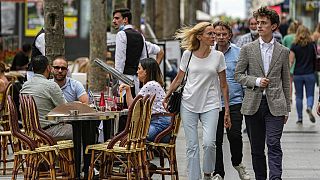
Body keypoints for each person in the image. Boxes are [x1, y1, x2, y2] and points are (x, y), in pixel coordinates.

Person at [163, 22, 231, 180]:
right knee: (192, 146)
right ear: (200, 36)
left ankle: (208, 173)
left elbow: (224, 85)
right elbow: (179, 78)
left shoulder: (218, 56)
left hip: (211, 104)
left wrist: (226, 109)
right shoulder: (188, 55)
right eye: (210, 34)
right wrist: (167, 95)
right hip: (188, 103)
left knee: (209, 143)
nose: (214, 37)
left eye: (214, 33)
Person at [234, 7, 290, 180]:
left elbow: (286, 81)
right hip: (253, 104)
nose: (259, 26)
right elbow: (238, 75)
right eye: (257, 22)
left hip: (276, 104)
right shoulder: (247, 49)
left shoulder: (283, 51)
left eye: (263, 23)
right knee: (257, 148)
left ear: (273, 26)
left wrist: (287, 107)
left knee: (273, 143)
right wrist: (256, 81)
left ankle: (276, 178)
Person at [212, 21, 250, 180]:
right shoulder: (208, 53)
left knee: (234, 135)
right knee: (216, 140)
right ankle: (218, 172)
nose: (220, 37)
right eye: (217, 34)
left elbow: (243, 77)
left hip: (235, 101)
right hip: (213, 103)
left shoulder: (239, 52)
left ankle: (238, 162)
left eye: (224, 34)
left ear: (230, 35)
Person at [20, 55, 71, 141]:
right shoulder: (51, 86)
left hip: (30, 133)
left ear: (33, 69)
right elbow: (65, 109)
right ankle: (86, 154)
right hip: (47, 132)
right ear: (48, 68)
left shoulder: (25, 86)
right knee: (80, 130)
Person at [119, 57, 170, 142]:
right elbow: (133, 106)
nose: (137, 72)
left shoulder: (150, 85)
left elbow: (132, 106)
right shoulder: (153, 84)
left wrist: (127, 90)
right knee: (130, 135)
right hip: (163, 125)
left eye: (139, 69)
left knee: (131, 136)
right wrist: (128, 90)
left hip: (159, 125)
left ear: (146, 72)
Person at [112, 8, 147, 96]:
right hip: (137, 82)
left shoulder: (121, 35)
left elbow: (120, 61)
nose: (113, 21)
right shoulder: (141, 36)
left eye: (117, 18)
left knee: (124, 107)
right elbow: (144, 60)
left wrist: (117, 82)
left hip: (124, 81)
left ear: (125, 19)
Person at [289, 25, 316, 124]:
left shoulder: (294, 45)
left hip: (298, 74)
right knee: (310, 94)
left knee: (299, 96)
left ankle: (300, 118)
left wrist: (287, 71)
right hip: (310, 74)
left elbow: (291, 61)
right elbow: (315, 58)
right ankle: (309, 107)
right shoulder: (312, 44)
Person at [282, 21, 300, 103]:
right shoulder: (298, 37)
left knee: (289, 81)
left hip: (288, 60)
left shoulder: (286, 37)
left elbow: (282, 49)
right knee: (297, 80)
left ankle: (290, 97)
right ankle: (298, 94)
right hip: (298, 61)